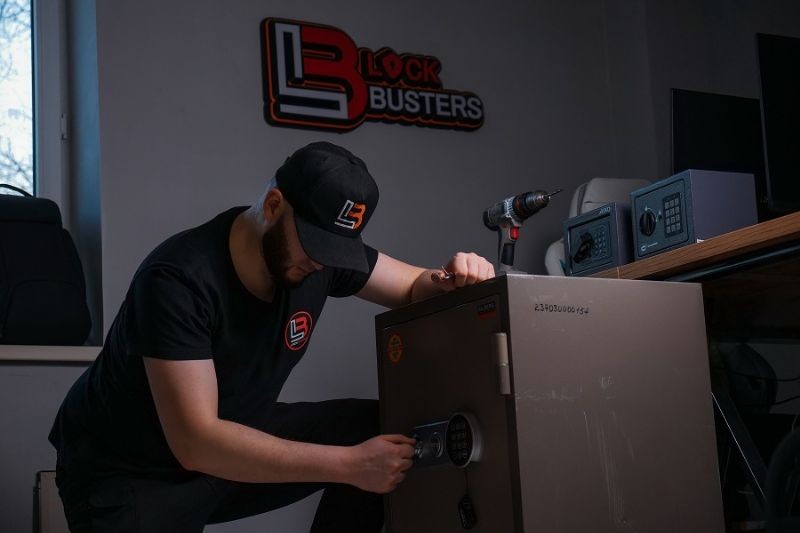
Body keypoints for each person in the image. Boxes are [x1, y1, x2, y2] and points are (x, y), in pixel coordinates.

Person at [49, 141, 495, 532]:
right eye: (314, 246)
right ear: (274, 205)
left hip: (230, 435)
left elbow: (414, 286)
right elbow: (195, 441)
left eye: (335, 249)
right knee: (360, 456)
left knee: (377, 428)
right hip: (132, 471)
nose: (321, 263)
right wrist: (351, 465)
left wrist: (454, 276)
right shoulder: (178, 280)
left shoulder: (321, 254)